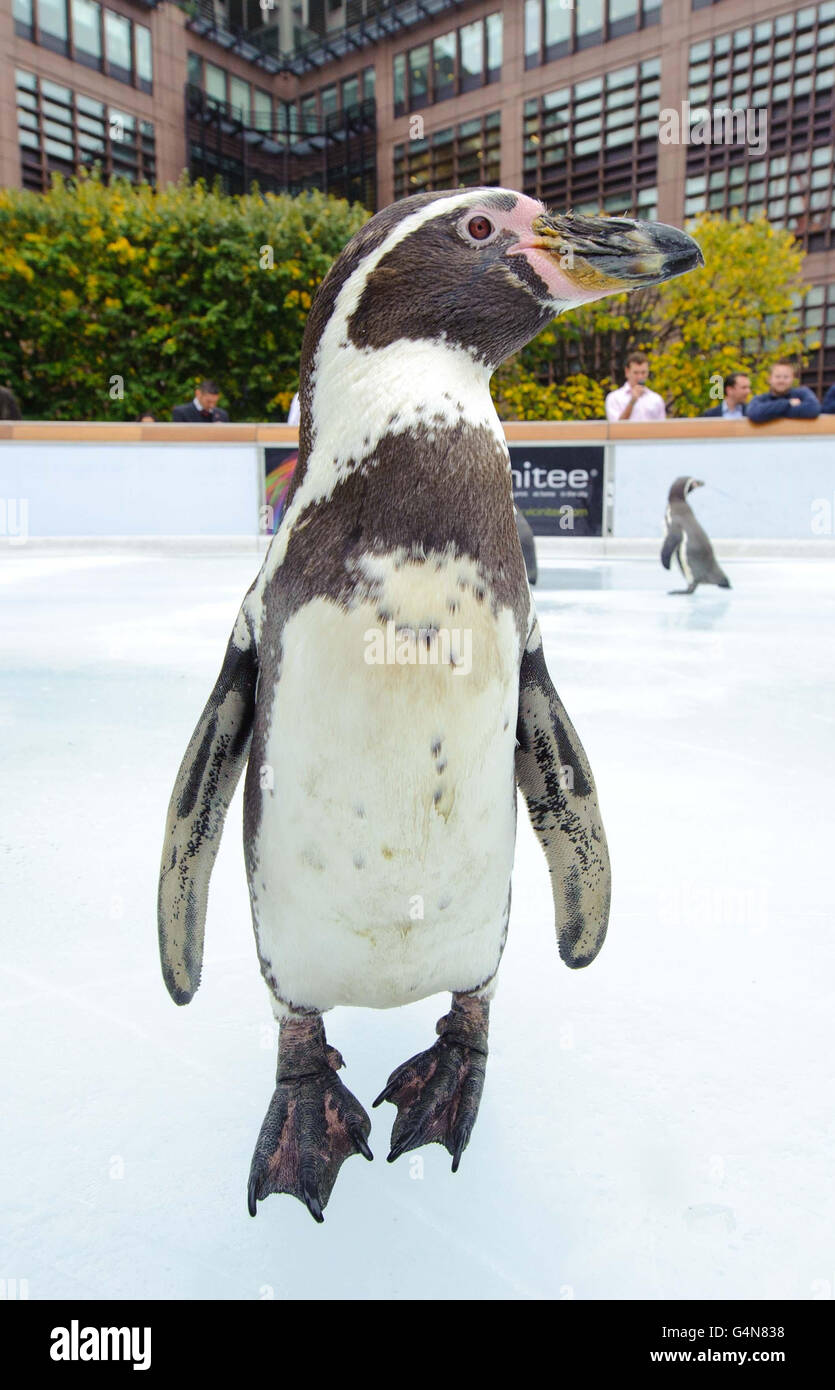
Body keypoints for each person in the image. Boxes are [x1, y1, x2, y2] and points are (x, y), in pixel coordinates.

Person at [746, 361, 820, 422]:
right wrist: (788, 403)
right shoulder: (760, 398)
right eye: (777, 377)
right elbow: (754, 413)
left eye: (786, 377)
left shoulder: (803, 393)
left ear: (793, 379)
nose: (781, 381)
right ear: (769, 379)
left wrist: (769, 412)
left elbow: (814, 409)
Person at [605, 352, 666, 422]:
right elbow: (616, 427)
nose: (640, 377)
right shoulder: (614, 398)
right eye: (636, 373)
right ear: (627, 372)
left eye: (643, 373)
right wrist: (632, 401)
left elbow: (662, 428)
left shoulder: (656, 399)